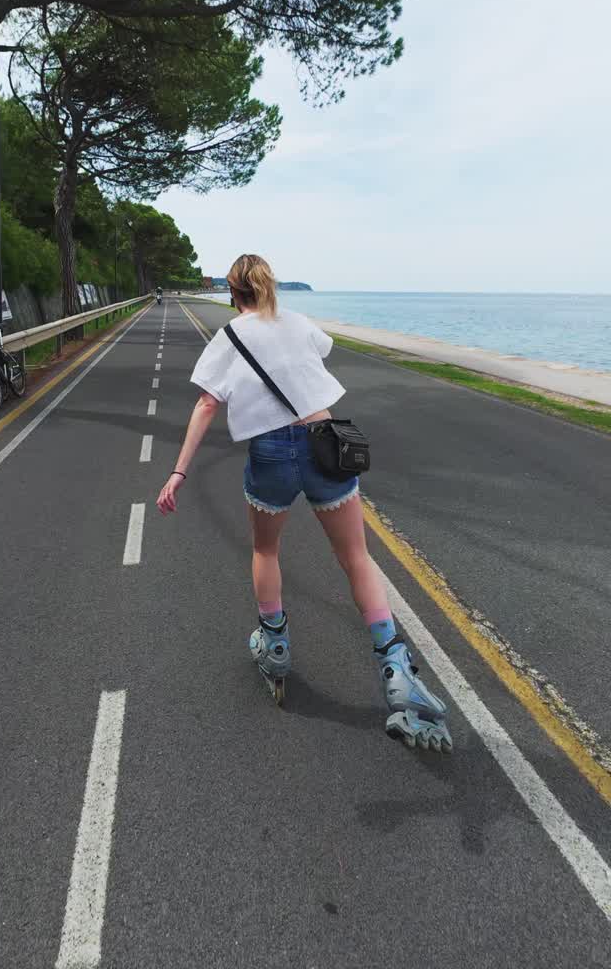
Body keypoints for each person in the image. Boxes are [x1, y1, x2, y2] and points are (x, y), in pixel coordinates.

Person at [156, 254, 451, 752]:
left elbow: (207, 403)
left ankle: (274, 644)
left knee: (266, 551)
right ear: (269, 286)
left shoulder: (229, 338)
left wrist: (179, 470)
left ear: (233, 293)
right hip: (323, 443)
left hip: (270, 452)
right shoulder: (297, 322)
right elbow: (321, 352)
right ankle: (396, 666)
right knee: (356, 557)